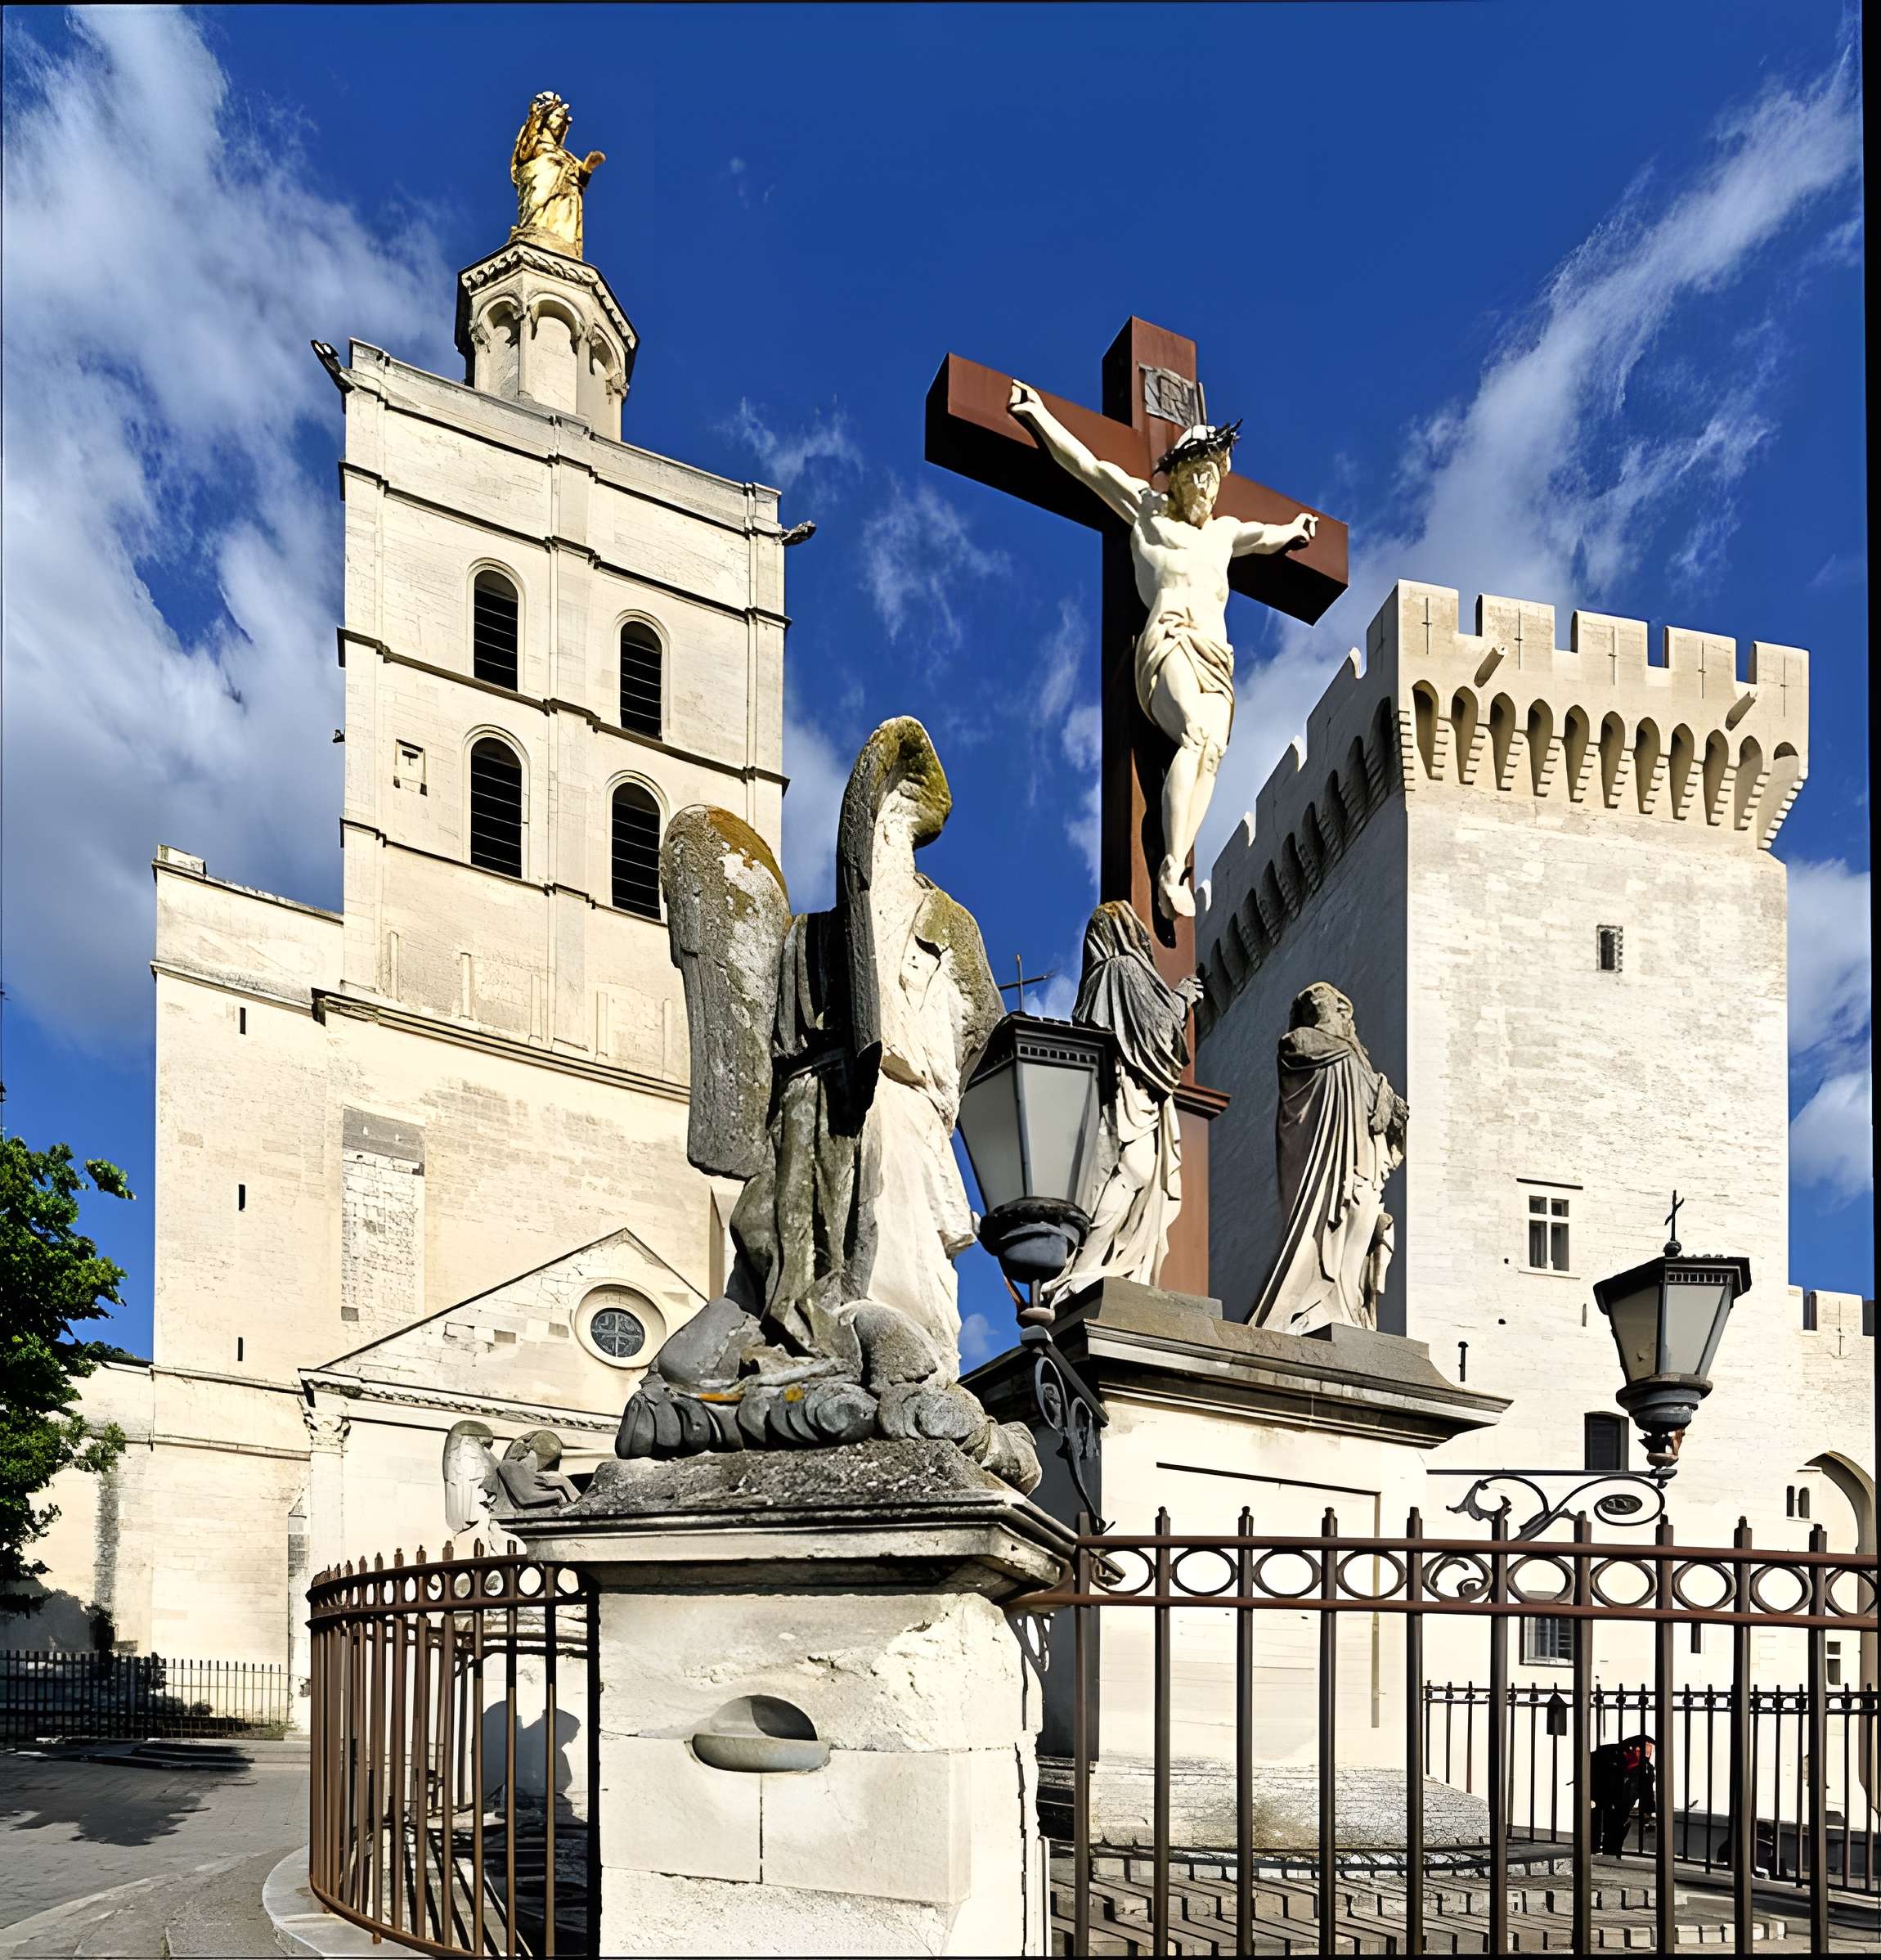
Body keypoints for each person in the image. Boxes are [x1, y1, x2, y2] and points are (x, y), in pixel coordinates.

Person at [1007, 380, 1318, 922]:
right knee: (1195, 733)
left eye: (1212, 476)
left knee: (1212, 753)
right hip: (1169, 636)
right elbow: (1085, 464)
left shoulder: (1222, 534)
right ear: (1175, 475)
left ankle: (1177, 857)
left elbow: (1264, 537)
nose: (1203, 484)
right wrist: (1040, 417)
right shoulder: (1147, 511)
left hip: (1216, 655)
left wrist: (1294, 528)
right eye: (1194, 473)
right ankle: (1172, 868)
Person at [1590, 1733, 1656, 1855]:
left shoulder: (1646, 1769)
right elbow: (1589, 1772)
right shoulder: (1606, 1755)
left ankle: (1611, 1855)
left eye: (1650, 1752)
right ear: (1631, 1749)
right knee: (1595, 1826)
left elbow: (1647, 1791)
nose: (1648, 1756)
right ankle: (1592, 1849)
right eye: (1644, 1752)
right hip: (1600, 1800)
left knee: (1616, 1832)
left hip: (1623, 1803)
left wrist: (1648, 1811)